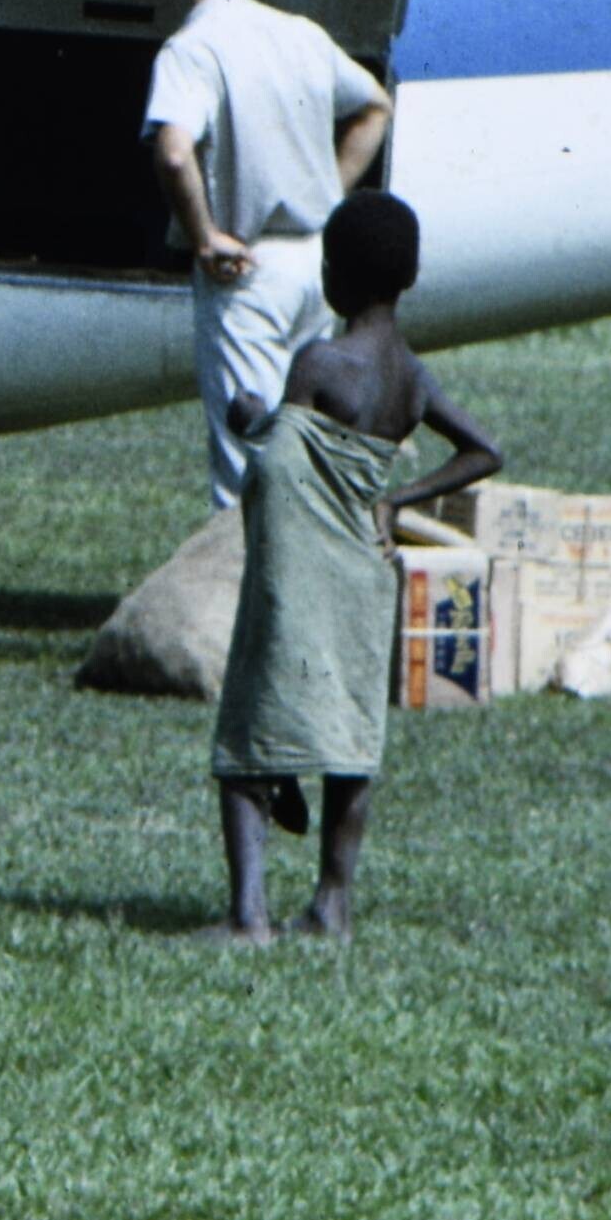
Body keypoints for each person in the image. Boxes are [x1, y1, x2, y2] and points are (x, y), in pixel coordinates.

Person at [208, 191, 507, 942]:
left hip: (298, 575)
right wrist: (395, 498)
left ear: (336, 276)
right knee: (349, 740)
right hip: (364, 574)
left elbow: (280, 460)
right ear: (407, 278)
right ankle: (331, 906)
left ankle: (248, 917)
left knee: (248, 733)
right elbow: (486, 451)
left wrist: (248, 418)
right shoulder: (412, 377)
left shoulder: (321, 362)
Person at [141, 0, 393, 511]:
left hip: (247, 269)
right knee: (305, 450)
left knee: (248, 462)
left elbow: (173, 152)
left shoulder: (190, 50)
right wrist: (332, 193)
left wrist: (204, 237)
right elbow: (374, 106)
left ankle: (249, 574)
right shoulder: (303, 34)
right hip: (315, 264)